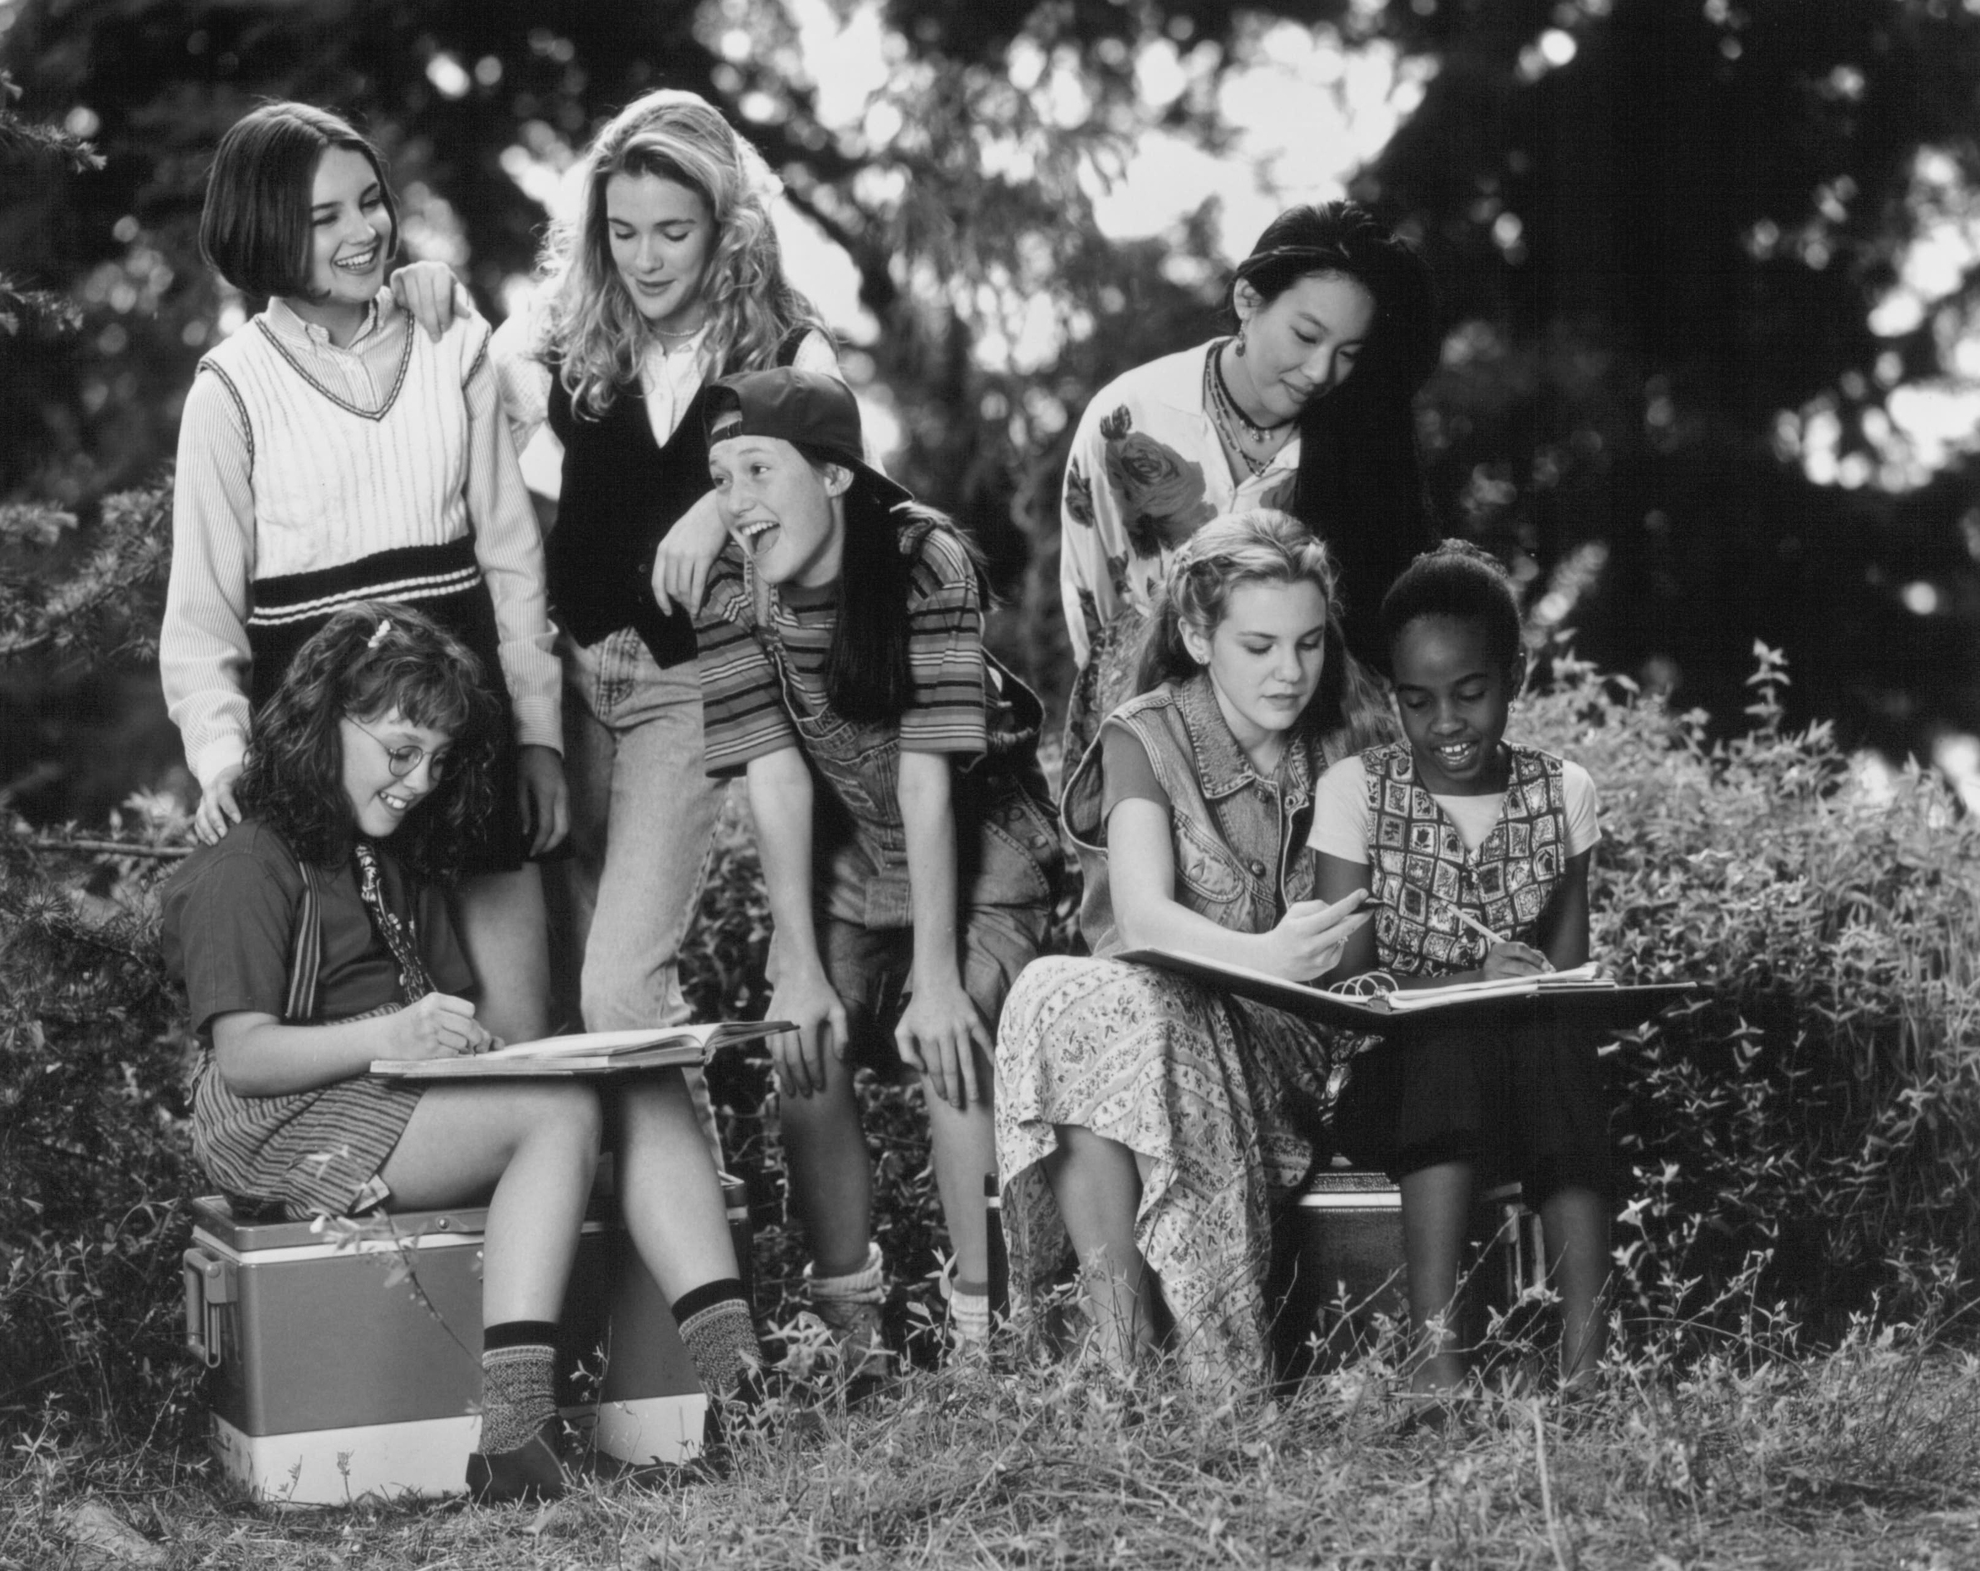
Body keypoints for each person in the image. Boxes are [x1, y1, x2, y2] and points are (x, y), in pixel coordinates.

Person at [160, 605, 760, 1504]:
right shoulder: (246, 861)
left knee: (635, 1074)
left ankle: (742, 1389)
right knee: (553, 1113)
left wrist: (460, 1041)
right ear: (326, 720)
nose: (417, 781)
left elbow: (430, 1008)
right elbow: (242, 1060)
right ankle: (513, 1437)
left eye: (436, 760)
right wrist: (396, 1037)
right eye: (402, 750)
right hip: (283, 1116)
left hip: (388, 1089)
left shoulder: (389, 859)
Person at [398, 90, 838, 1071]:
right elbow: (459, 369)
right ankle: (645, 1207)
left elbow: (830, 470)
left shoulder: (788, 345)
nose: (645, 259)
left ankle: (685, 1226)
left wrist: (721, 500)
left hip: (689, 690)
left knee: (620, 985)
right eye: (623, 230)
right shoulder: (566, 331)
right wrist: (428, 284)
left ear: (725, 229)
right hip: (569, 681)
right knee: (566, 989)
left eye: (673, 233)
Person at [161, 101, 565, 1046]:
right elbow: (202, 618)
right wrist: (221, 757)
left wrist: (539, 736)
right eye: (323, 217)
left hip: (467, 737)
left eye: (371, 202)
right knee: (382, 1044)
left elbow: (512, 558)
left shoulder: (451, 345)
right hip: (319, 769)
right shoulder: (228, 390)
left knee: (519, 1032)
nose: (364, 231)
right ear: (265, 231)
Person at [693, 367, 1063, 1366]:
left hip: (979, 843)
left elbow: (925, 780)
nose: (737, 503)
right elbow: (774, 778)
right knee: (802, 1044)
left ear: (837, 475)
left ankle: (990, 1331)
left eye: (758, 469)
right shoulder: (730, 588)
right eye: (720, 479)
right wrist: (797, 961)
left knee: (954, 1045)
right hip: (854, 851)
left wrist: (938, 979)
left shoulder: (922, 561)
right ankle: (853, 1331)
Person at [995, 511, 1375, 1384]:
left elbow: (1355, 954)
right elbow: (1143, 917)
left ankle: (1182, 1376)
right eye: (1260, 645)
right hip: (1144, 1035)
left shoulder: (1347, 737)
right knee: (1067, 995)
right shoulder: (1146, 733)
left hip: (1296, 1053)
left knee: (1111, 1014)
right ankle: (1126, 1369)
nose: (1291, 670)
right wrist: (1270, 952)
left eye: (1310, 642)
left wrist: (1288, 966)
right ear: (1200, 637)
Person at [1310, 541, 1614, 1422]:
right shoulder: (1356, 791)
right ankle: (1436, 1363)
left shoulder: (1564, 793)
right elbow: (1351, 980)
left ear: (1514, 675)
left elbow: (1564, 971)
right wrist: (1464, 976)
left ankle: (1587, 1376)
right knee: (1440, 1035)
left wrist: (1544, 982)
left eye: (1470, 692)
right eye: (1417, 699)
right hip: (1391, 1090)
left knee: (1557, 1031)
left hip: (1527, 1093)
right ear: (1394, 694)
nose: (1446, 720)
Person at [1057, 200, 1440, 770]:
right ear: (1247, 300)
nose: (1320, 372)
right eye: (1306, 336)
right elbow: (1097, 616)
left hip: (1312, 741)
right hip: (1150, 733)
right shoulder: (1128, 418)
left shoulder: (1359, 436)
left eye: (1348, 354)